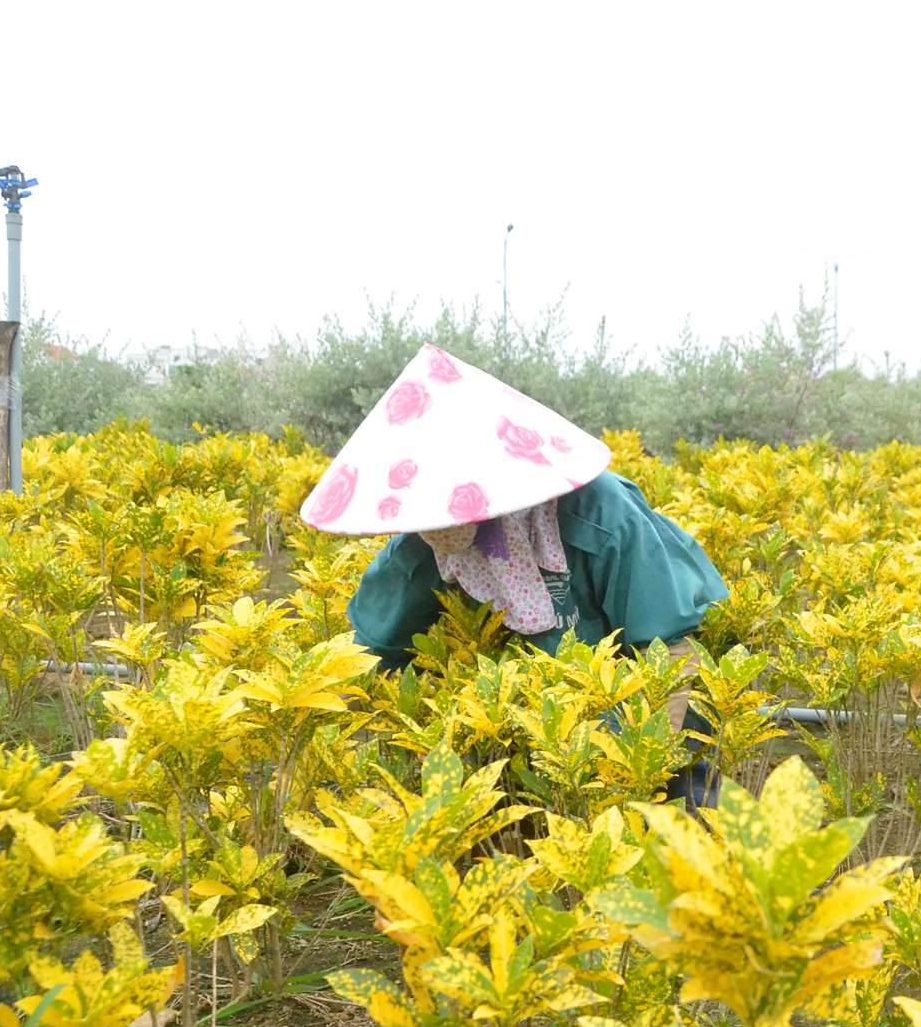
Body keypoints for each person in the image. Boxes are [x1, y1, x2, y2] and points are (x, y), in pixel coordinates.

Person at [298, 344, 729, 806]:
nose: (438, 529)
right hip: (535, 728)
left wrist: (640, 771)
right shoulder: (420, 545)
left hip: (641, 704)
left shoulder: (601, 513)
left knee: (679, 812)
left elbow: (672, 648)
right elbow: (368, 653)